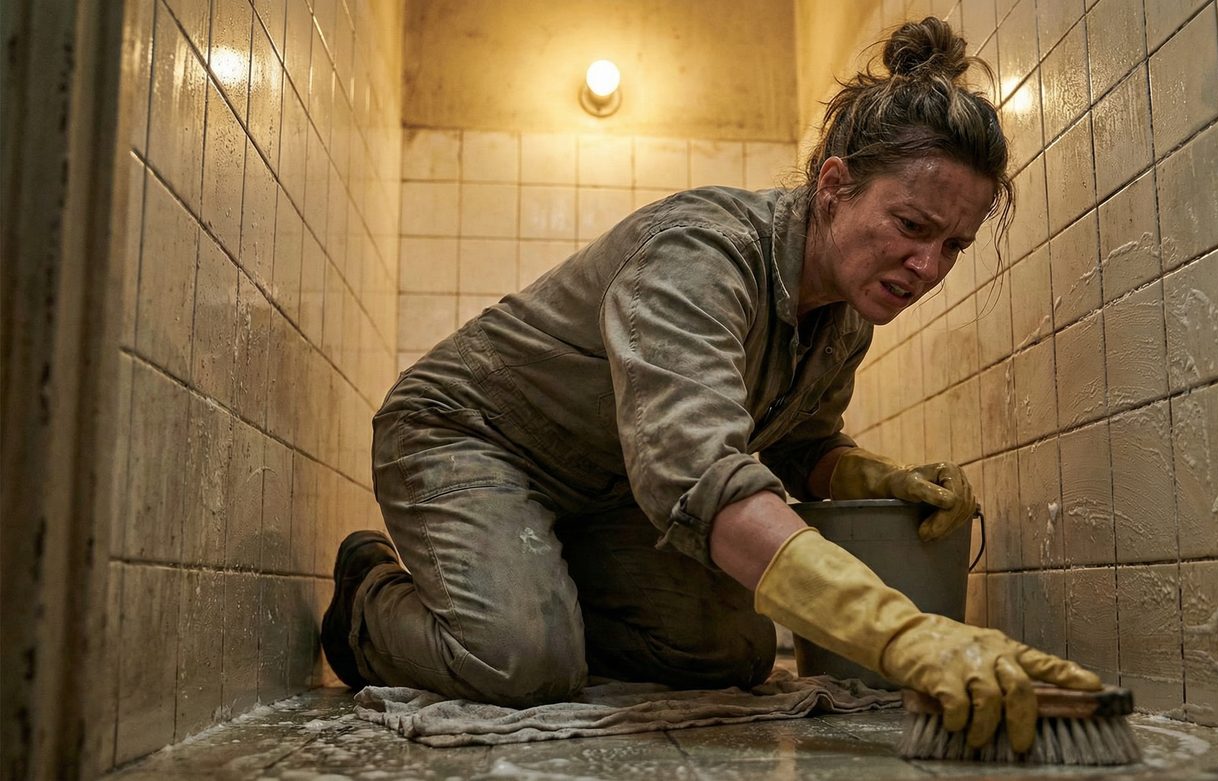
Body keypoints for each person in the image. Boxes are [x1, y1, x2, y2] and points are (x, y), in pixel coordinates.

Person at [320, 16, 1101, 754]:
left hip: (609, 487)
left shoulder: (847, 317)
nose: (928, 268)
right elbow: (696, 473)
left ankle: (533, 588)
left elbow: (800, 443)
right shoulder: (700, 256)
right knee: (519, 663)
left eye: (954, 245)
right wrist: (900, 631)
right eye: (911, 226)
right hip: (470, 436)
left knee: (732, 648)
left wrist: (874, 476)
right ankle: (368, 599)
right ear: (834, 185)